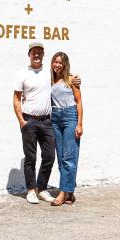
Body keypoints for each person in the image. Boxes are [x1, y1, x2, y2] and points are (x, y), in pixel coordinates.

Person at [13, 41, 80, 204]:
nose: (36, 55)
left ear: (43, 55)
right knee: (30, 157)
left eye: (39, 52)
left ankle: (41, 188)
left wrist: (74, 78)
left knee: (50, 156)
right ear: (29, 55)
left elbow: (63, 74)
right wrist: (22, 121)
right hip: (29, 120)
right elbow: (16, 98)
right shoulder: (22, 74)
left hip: (48, 121)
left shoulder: (48, 72)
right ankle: (30, 190)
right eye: (33, 52)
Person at [49, 51, 83, 206]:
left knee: (69, 157)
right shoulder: (49, 80)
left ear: (65, 64)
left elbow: (79, 102)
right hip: (55, 118)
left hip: (70, 117)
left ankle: (63, 193)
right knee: (61, 158)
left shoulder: (71, 80)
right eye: (55, 62)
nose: (57, 65)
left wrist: (79, 123)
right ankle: (69, 193)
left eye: (60, 62)